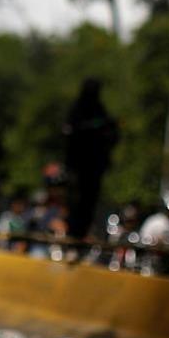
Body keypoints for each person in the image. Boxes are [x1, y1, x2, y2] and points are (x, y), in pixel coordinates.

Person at [62, 78, 119, 240]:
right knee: (76, 199)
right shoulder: (77, 109)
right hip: (78, 164)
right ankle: (73, 230)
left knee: (90, 200)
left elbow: (110, 134)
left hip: (94, 166)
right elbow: (71, 131)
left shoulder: (100, 109)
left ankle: (82, 231)